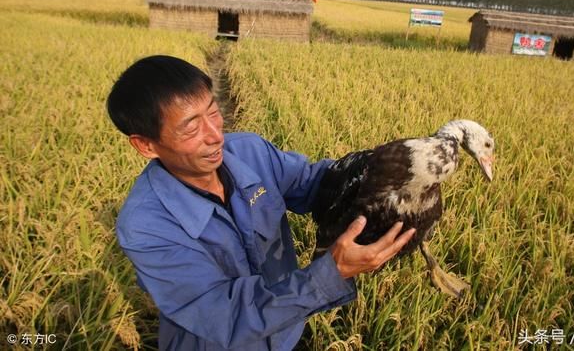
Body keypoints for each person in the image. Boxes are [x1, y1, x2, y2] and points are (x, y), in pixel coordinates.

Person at [107, 55, 415, 350]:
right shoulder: (146, 226)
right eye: (191, 127)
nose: (215, 135)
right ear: (146, 145)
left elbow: (314, 183)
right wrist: (332, 272)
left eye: (213, 113)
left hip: (285, 333)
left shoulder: (250, 152)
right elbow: (223, 314)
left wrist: (374, 170)